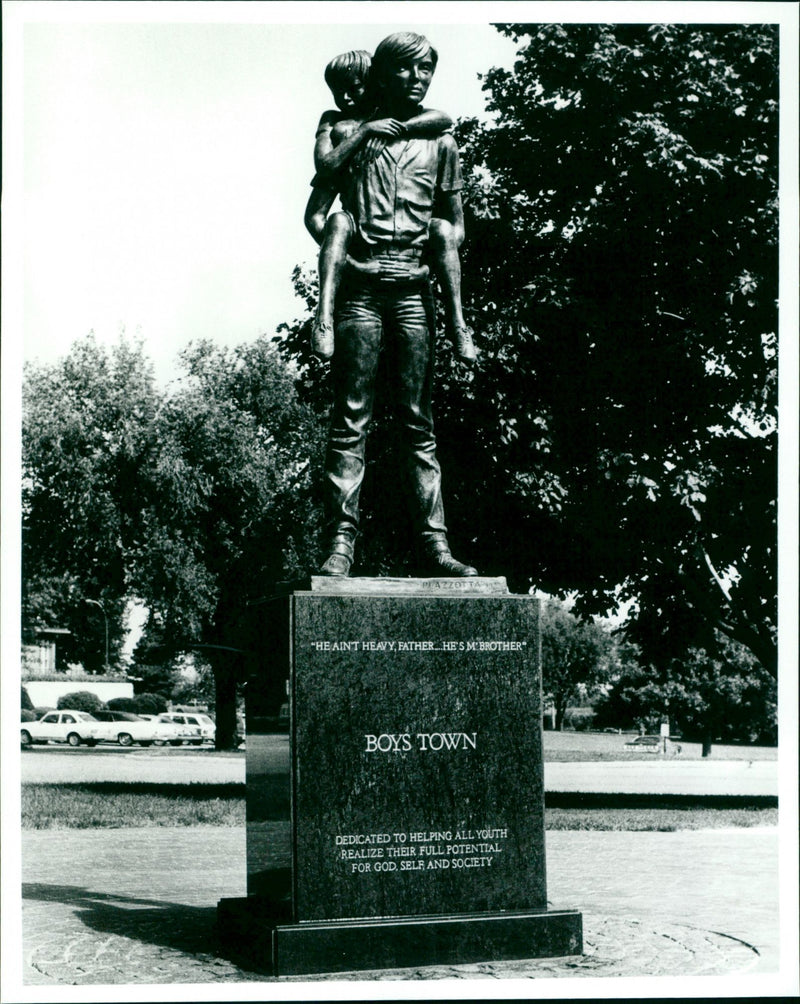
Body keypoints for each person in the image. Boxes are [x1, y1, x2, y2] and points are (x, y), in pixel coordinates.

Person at [304, 32, 478, 578]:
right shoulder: (353, 132)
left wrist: (435, 254)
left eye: (426, 70)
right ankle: (340, 544)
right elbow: (318, 209)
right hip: (360, 290)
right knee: (351, 418)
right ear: (383, 74)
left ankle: (435, 545)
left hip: (412, 292)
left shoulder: (440, 144)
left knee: (418, 422)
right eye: (407, 70)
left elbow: (457, 225)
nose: (418, 79)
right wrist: (354, 266)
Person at [308, 48, 477, 364]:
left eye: (353, 87)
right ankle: (323, 316)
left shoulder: (435, 138)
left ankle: (459, 322)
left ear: (374, 82)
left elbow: (444, 119)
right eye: (336, 90)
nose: (343, 97)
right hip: (361, 284)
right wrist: (366, 131)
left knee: (440, 226)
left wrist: (424, 266)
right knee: (339, 221)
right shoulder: (342, 129)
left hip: (412, 280)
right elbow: (319, 194)